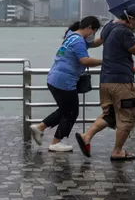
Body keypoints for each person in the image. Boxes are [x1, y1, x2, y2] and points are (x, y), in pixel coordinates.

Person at [75, 4, 135, 160]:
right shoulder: (124, 32)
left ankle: (86, 136)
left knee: (110, 114)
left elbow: (102, 43)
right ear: (131, 19)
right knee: (128, 116)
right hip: (121, 82)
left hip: (105, 80)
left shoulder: (109, 26)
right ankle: (118, 151)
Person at [30, 16, 103, 152]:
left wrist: (106, 36)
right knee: (71, 112)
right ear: (89, 28)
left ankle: (40, 128)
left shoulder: (72, 36)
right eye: (94, 31)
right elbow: (85, 61)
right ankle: (56, 142)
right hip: (64, 81)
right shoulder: (78, 42)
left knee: (65, 110)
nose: (94, 35)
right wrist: (104, 62)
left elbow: (94, 43)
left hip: (55, 79)